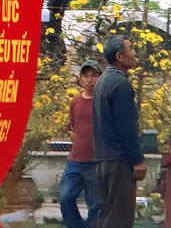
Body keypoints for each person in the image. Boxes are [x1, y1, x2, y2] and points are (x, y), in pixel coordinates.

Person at [95, 36, 146, 228]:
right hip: (119, 161)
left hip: (103, 158)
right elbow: (126, 127)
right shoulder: (120, 84)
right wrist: (137, 160)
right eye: (130, 48)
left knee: (106, 215)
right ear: (119, 56)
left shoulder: (102, 81)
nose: (134, 53)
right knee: (119, 218)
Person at [60, 61, 102, 228]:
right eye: (86, 76)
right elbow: (74, 125)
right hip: (75, 161)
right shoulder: (75, 102)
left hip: (96, 161)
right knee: (65, 198)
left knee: (95, 205)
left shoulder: (104, 102)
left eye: (93, 76)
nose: (89, 80)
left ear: (99, 78)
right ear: (81, 78)